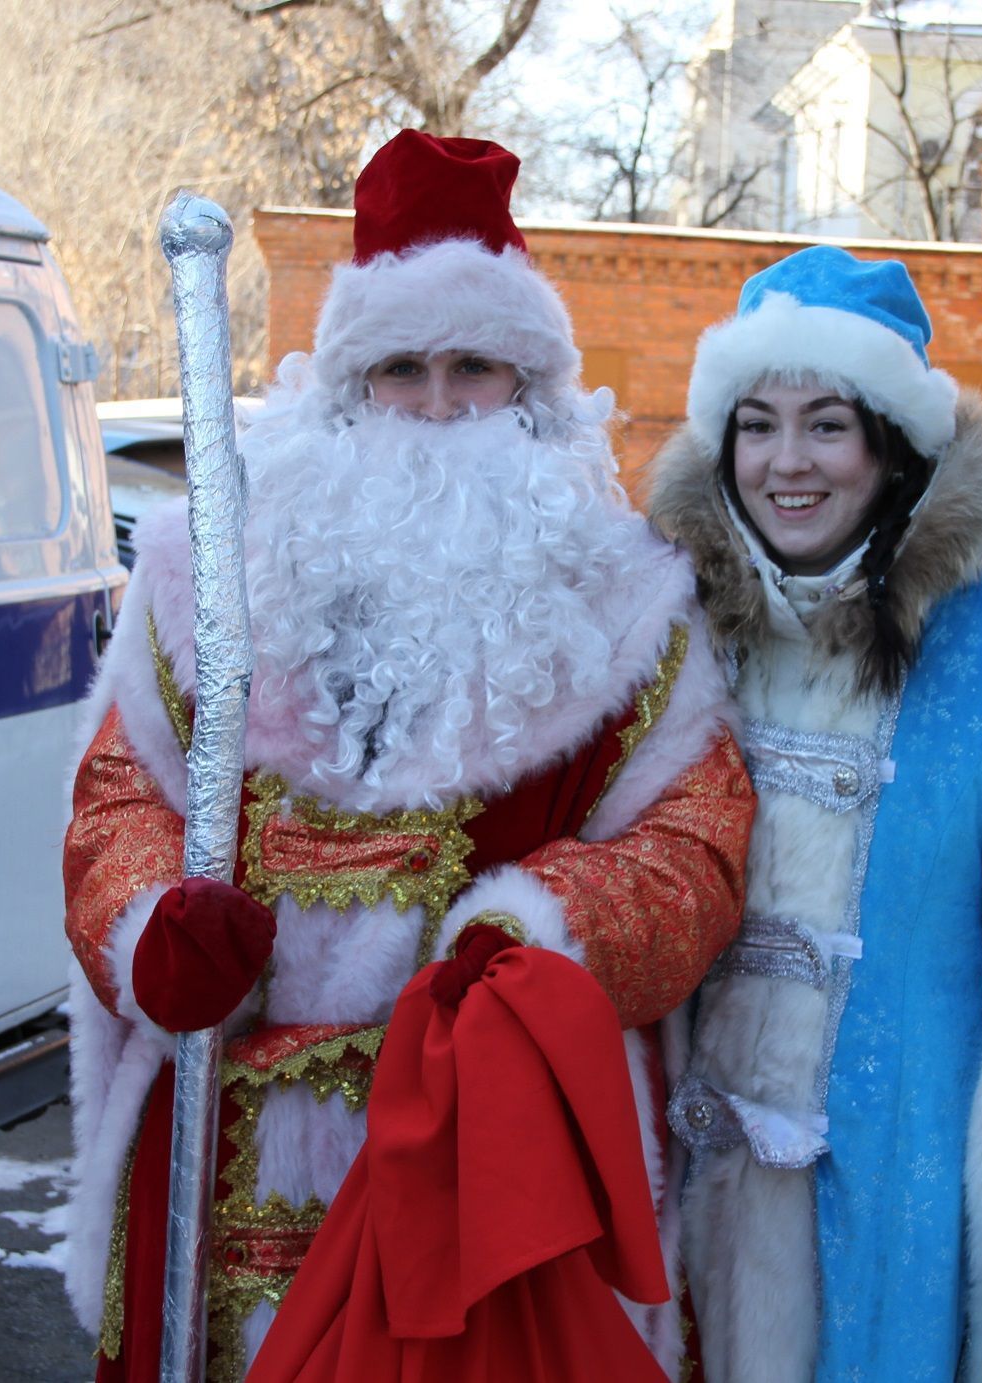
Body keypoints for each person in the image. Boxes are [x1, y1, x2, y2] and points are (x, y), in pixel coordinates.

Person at [61, 130, 753, 1381]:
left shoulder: (630, 609)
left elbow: (694, 848)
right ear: (345, 388)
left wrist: (543, 933)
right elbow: (118, 797)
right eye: (401, 370)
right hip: (221, 1154)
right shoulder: (203, 579)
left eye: (474, 367)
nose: (437, 407)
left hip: (477, 1159)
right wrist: (151, 921)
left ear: (531, 388)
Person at [650, 245, 982, 1383]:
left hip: (902, 1218)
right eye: (756, 423)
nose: (788, 463)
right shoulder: (662, 629)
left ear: (892, 447)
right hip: (672, 1221)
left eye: (827, 424)